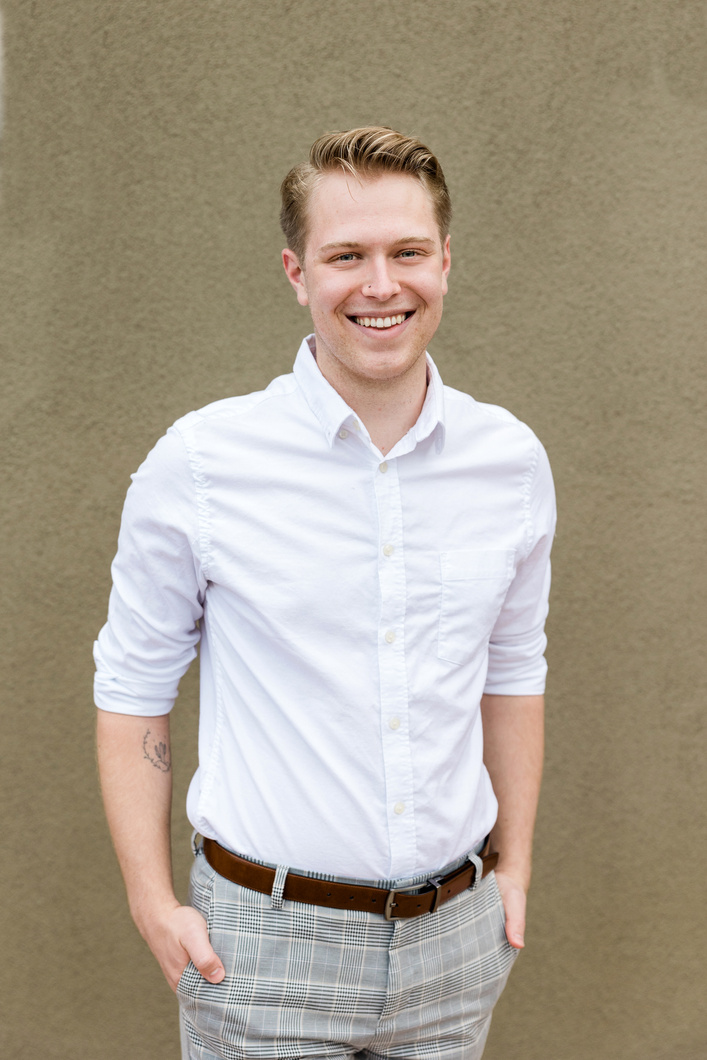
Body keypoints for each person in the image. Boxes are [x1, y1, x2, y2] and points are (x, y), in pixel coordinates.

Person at [95, 126, 556, 1060]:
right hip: (260, 954)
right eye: (346, 255)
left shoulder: (509, 462)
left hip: (455, 946)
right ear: (297, 273)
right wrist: (152, 903)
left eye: (407, 253)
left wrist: (515, 867)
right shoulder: (203, 464)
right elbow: (133, 687)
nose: (380, 285)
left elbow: (512, 669)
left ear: (445, 261)